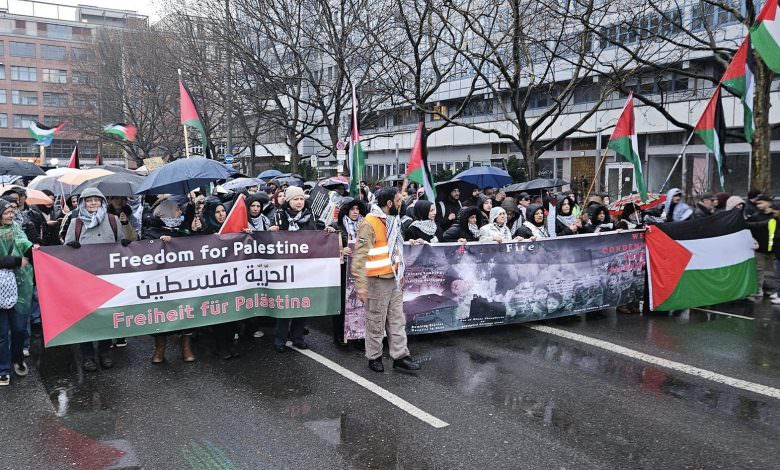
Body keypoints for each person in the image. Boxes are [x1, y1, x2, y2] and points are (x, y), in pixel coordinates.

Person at [351, 187, 420, 373]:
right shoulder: (370, 223)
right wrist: (361, 286)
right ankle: (374, 357)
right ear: (389, 203)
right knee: (376, 321)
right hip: (377, 280)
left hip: (394, 278)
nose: (401, 204)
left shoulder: (392, 221)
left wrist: (401, 273)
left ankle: (400, 357)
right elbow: (360, 257)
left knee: (397, 320)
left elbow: (395, 250)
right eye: (399, 200)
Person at [64, 188, 127, 372]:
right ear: (83, 203)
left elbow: (121, 245)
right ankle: (87, 356)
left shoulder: (113, 220)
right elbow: (65, 250)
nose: (93, 204)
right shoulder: (75, 222)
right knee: (85, 317)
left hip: (107, 278)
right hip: (83, 279)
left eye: (96, 200)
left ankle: (105, 352)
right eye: (89, 200)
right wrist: (70, 246)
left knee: (105, 315)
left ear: (102, 202)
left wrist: (124, 244)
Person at [270, 186, 334, 352]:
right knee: (285, 304)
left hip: (305, 267)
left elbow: (316, 234)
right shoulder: (279, 216)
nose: (299, 202)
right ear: (288, 201)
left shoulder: (310, 215)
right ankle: (280, 339)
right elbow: (268, 240)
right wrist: (271, 232)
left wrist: (326, 230)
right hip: (284, 267)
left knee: (302, 303)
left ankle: (297, 337)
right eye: (295, 199)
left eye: (301, 199)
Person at [142, 199, 196, 363]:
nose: (180, 212)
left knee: (186, 312)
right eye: (177, 209)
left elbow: (192, 244)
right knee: (162, 314)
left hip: (182, 278)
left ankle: (186, 348)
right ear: (168, 212)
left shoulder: (181, 229)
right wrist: (160, 243)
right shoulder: (151, 231)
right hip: (161, 280)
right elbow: (144, 249)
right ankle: (160, 349)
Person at [0, 199, 34, 386]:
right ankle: (3, 369)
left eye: (12, 212)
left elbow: (24, 243)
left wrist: (33, 248)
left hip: (20, 286)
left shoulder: (16, 229)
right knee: (2, 334)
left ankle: (17, 358)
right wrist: (14, 262)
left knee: (20, 329)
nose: (11, 215)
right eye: (6, 213)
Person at [332, 198, 367, 346]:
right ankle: (340, 335)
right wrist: (340, 250)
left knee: (359, 303)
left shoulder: (366, 225)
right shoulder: (336, 226)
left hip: (361, 270)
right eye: (352, 209)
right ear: (346, 210)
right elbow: (325, 247)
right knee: (342, 303)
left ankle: (358, 335)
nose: (355, 212)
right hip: (342, 270)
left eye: (358, 209)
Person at [747, 194, 776, 300]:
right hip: (760, 249)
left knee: (776, 269)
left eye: (761, 203)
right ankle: (759, 289)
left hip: (774, 248)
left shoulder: (775, 215)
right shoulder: (755, 216)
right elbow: (749, 229)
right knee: (759, 269)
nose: (758, 205)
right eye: (757, 203)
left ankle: (776, 291)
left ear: (769, 203)